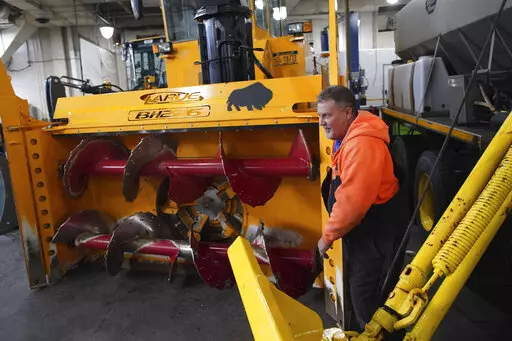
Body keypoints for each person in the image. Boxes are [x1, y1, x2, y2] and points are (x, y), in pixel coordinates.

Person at [317, 85, 406, 332]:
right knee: (363, 297)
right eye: (319, 116)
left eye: (327, 115)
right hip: (365, 234)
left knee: (372, 302)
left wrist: (327, 238)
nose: (322, 122)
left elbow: (352, 202)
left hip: (378, 236)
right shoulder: (349, 138)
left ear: (347, 113)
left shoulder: (362, 144)